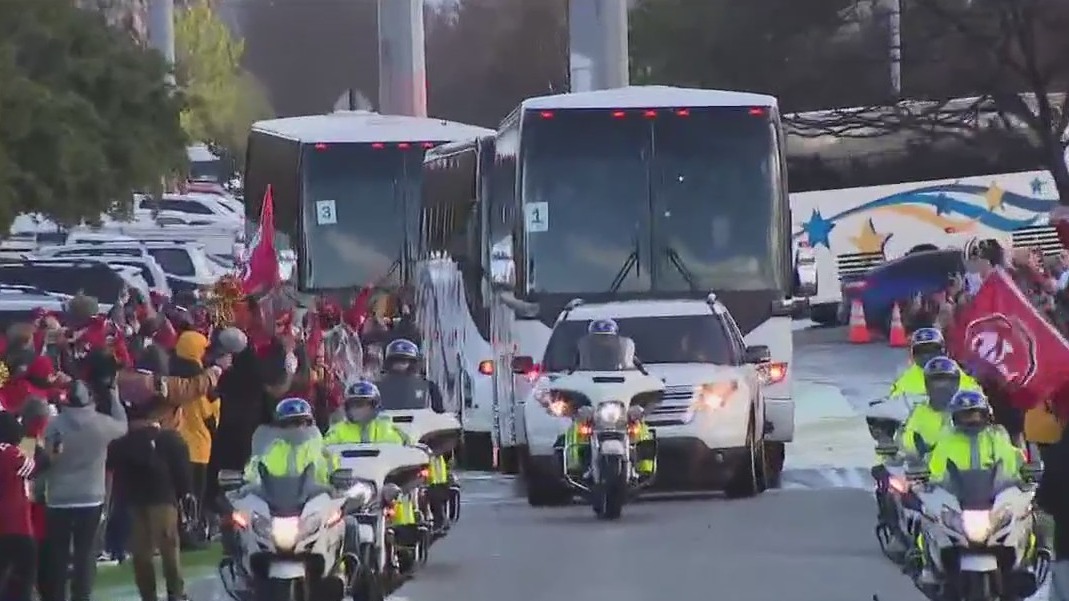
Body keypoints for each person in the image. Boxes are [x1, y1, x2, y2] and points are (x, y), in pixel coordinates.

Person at [40, 361, 128, 601]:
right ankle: (82, 596)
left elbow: (47, 456)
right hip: (90, 496)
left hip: (58, 498)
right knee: (85, 553)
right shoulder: (102, 424)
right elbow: (123, 426)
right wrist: (115, 396)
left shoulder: (55, 425)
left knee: (58, 554)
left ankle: (56, 595)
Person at [107, 402, 193, 601]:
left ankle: (148, 595)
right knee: (169, 549)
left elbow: (112, 465)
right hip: (162, 499)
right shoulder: (169, 439)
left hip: (132, 500)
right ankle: (176, 593)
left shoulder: (121, 443)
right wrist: (184, 494)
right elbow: (182, 473)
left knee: (141, 554)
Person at [563, 319, 654, 477]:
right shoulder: (584, 359)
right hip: (595, 405)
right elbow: (572, 372)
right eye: (599, 338)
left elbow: (642, 372)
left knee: (639, 424)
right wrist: (567, 383)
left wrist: (648, 381)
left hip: (618, 404)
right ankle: (574, 464)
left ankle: (645, 465)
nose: (603, 342)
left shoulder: (626, 360)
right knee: (577, 425)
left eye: (607, 337)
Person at [323, 379, 419, 527]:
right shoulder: (337, 430)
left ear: (374, 406)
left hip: (381, 483)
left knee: (396, 493)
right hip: (348, 485)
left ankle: (404, 533)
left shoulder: (385, 427)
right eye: (354, 405)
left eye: (362, 405)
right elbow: (325, 453)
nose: (358, 410)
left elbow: (400, 451)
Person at [172, 330, 219, 548]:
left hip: (176, 443)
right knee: (194, 496)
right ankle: (189, 537)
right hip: (198, 446)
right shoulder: (198, 382)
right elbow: (209, 416)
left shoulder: (173, 377)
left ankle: (181, 535)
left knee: (179, 495)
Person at [0, 411, 50, 601]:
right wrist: (32, 441)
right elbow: (38, 463)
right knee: (22, 586)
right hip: (18, 528)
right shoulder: (12, 454)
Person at [926, 390, 1022, 482]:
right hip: (956, 495)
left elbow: (1010, 467)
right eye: (966, 416)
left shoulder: (996, 436)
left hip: (995, 494)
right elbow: (936, 474)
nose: (972, 420)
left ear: (986, 415)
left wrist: (1023, 471)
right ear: (956, 417)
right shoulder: (946, 439)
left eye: (976, 415)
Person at [243, 398, 336, 486]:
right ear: (281, 426)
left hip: (313, 500)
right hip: (275, 501)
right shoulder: (270, 450)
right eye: (291, 423)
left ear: (310, 424)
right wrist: (247, 482)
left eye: (303, 422)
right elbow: (253, 475)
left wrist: (337, 478)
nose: (298, 428)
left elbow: (331, 474)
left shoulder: (318, 449)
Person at [900, 356, 980, 456]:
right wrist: (918, 449)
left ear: (956, 383)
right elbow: (908, 441)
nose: (941, 388)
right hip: (926, 467)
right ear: (927, 384)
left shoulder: (967, 411)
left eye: (946, 382)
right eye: (936, 382)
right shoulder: (920, 412)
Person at [888, 328, 978, 397]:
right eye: (921, 350)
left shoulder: (957, 373)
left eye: (932, 349)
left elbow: (976, 396)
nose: (926, 355)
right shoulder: (904, 380)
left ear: (944, 350)